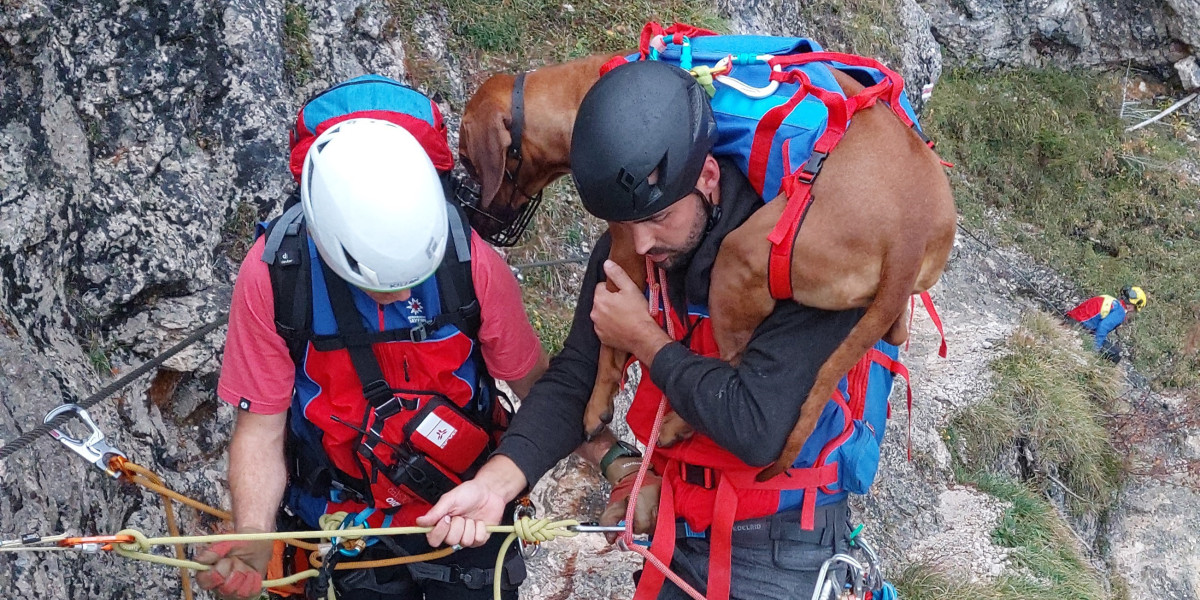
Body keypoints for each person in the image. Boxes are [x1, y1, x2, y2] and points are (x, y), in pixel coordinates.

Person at [418, 60, 866, 600]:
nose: (643, 243)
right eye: (624, 225)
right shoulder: (632, 244)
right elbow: (575, 380)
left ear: (705, 176)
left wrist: (645, 341)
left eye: (658, 219)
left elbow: (757, 429)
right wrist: (497, 483)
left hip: (781, 550)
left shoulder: (804, 258)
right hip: (677, 529)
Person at [197, 117, 550, 600]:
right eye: (379, 284)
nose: (402, 293)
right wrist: (257, 536)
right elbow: (260, 430)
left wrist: (614, 460)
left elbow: (541, 390)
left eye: (411, 276)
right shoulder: (275, 278)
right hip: (344, 523)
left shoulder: (470, 264)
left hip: (464, 508)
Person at [1066, 286, 1146, 361]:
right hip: (1079, 325)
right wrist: (1095, 348)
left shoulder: (1110, 300)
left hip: (1072, 319)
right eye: (1134, 309)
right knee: (1117, 354)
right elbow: (1103, 327)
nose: (1132, 312)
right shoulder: (1120, 312)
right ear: (1130, 306)